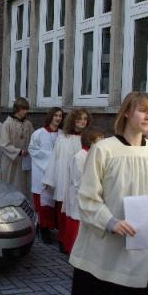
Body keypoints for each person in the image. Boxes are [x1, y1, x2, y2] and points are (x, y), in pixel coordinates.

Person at [65, 92, 148, 295]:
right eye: (143, 110)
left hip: (141, 254)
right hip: (104, 253)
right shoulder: (104, 150)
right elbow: (88, 197)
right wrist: (110, 222)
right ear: (126, 113)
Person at [43, 108, 91, 251]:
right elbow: (55, 159)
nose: (82, 122)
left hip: (81, 180)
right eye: (79, 119)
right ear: (72, 120)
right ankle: (63, 240)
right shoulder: (63, 137)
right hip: (64, 178)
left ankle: (78, 242)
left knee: (78, 212)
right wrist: (50, 180)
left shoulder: (88, 137)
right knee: (63, 212)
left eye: (85, 119)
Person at [62, 128, 104, 255]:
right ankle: (73, 249)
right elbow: (78, 180)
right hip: (79, 196)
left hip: (91, 194)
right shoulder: (80, 156)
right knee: (77, 222)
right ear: (90, 142)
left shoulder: (95, 155)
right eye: (99, 142)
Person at [28, 107, 63, 244]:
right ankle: (43, 229)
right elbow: (32, 150)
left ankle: (51, 227)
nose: (58, 118)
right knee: (42, 204)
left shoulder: (62, 134)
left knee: (54, 203)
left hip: (56, 174)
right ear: (50, 117)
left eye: (60, 116)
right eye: (55, 115)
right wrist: (51, 158)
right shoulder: (38, 133)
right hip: (41, 172)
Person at [0, 98, 34, 199]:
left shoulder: (28, 124)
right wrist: (18, 151)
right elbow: (3, 143)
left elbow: (33, 140)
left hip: (24, 160)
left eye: (26, 109)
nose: (25, 112)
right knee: (10, 184)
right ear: (17, 109)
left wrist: (30, 150)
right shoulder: (7, 124)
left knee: (24, 185)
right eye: (23, 109)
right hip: (11, 160)